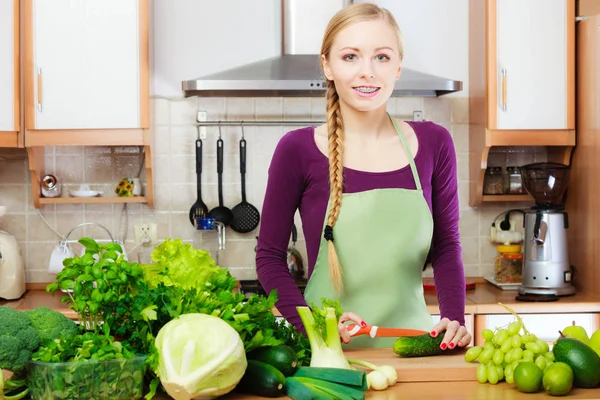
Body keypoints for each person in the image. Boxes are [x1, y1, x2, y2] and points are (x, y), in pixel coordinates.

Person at [256, 2, 471, 350]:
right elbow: (268, 257)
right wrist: (314, 329)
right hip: (329, 357)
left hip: (415, 351)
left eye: (382, 57)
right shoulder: (296, 150)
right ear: (327, 65)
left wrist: (455, 320)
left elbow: (446, 248)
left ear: (398, 67)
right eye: (351, 56)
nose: (367, 72)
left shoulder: (435, 143)